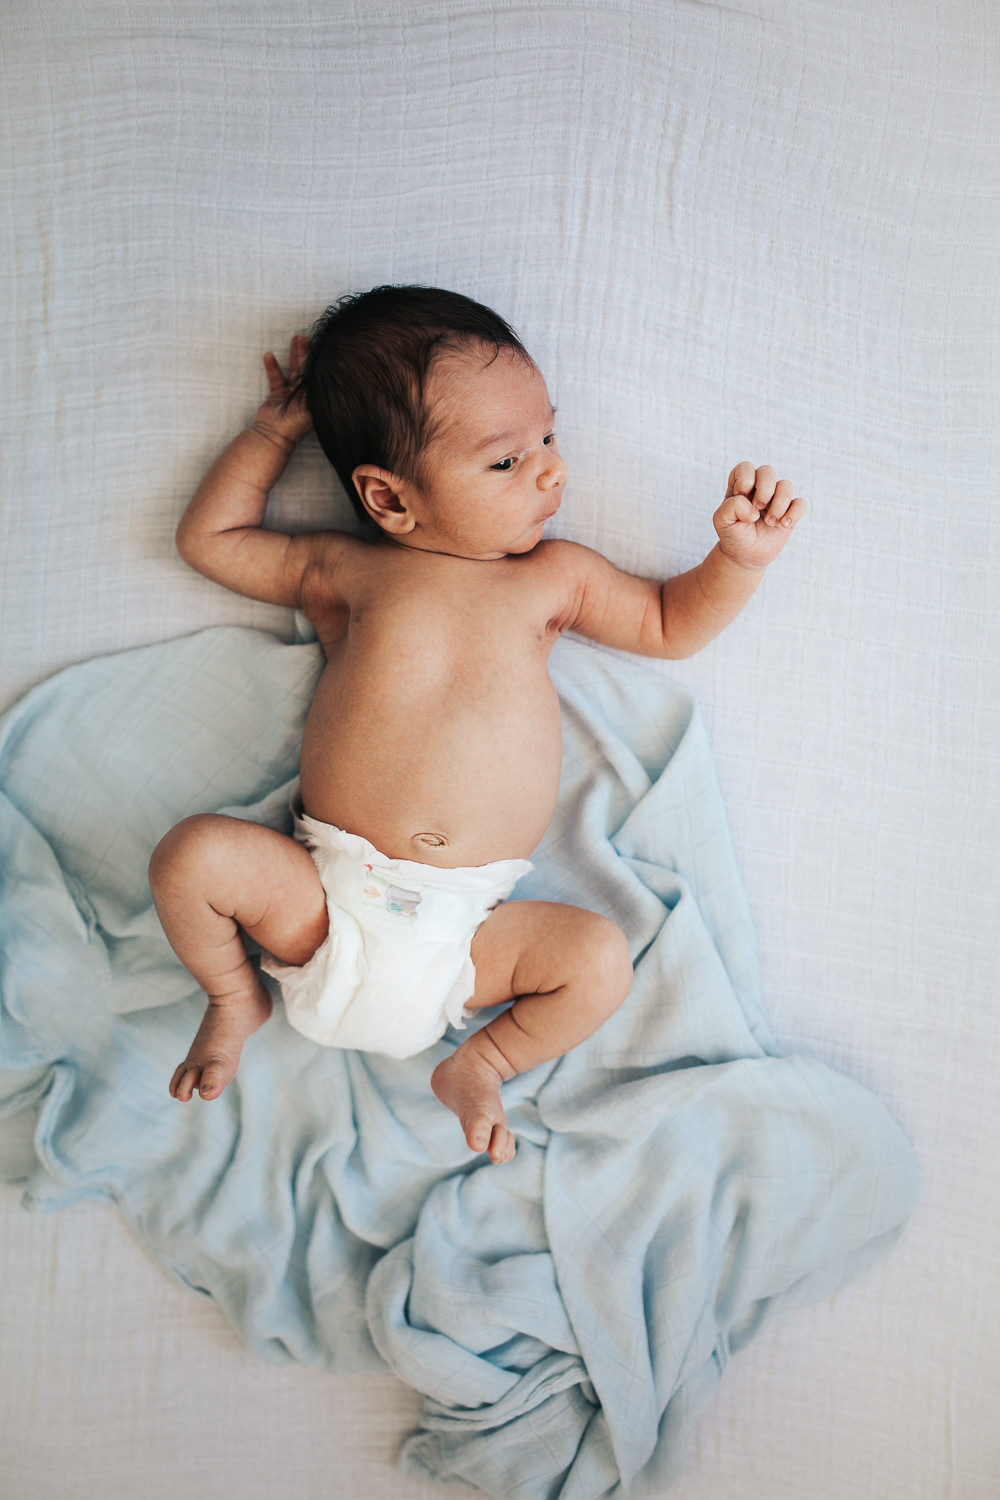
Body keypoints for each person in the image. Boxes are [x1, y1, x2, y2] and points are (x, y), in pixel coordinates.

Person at [149, 284, 806, 1165]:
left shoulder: (554, 577)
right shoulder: (348, 572)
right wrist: (274, 432)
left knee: (600, 960)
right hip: (323, 904)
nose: (551, 471)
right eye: (505, 463)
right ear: (389, 499)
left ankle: (483, 1063)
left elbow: (666, 623)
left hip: (468, 941)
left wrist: (737, 560)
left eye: (549, 437)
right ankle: (234, 997)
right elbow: (213, 539)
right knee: (191, 857)